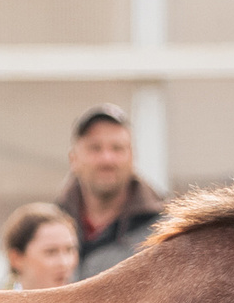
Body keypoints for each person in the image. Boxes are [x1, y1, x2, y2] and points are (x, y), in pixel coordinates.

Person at [57, 106, 165, 279]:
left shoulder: (164, 232)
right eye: (95, 148)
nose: (107, 159)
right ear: (73, 159)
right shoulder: (47, 228)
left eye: (117, 148)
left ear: (132, 157)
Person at [2, 203, 81, 290]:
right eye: (51, 252)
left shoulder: (87, 302)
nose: (64, 263)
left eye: (69, 250)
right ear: (16, 258)